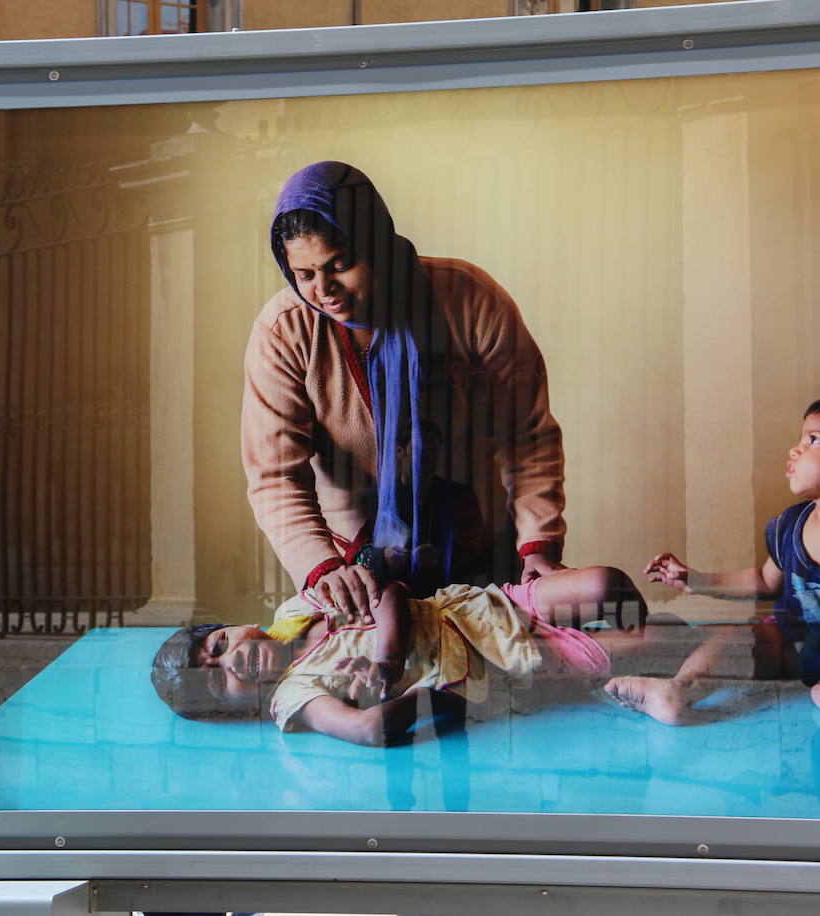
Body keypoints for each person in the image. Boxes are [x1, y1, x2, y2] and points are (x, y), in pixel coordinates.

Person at [244, 161, 566, 621]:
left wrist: (538, 547)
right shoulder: (284, 331)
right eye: (305, 274)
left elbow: (528, 436)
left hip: (480, 544)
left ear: (376, 243)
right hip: (358, 568)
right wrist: (323, 569)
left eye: (340, 264)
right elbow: (276, 475)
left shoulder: (469, 300)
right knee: (384, 681)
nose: (324, 289)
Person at [152, 565, 725, 744]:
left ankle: (625, 657)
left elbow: (391, 592)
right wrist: (410, 692)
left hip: (479, 610)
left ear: (235, 626)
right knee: (672, 634)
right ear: (234, 707)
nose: (231, 659)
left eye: (218, 644)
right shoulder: (294, 695)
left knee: (606, 584)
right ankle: (619, 667)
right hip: (498, 667)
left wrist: (387, 657)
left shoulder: (297, 610)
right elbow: (368, 729)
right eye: (217, 678)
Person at [644, 398, 820, 709]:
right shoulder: (791, 526)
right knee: (738, 639)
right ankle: (678, 692)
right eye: (802, 438)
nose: (795, 449)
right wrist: (696, 581)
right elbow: (765, 582)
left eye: (813, 440)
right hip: (789, 645)